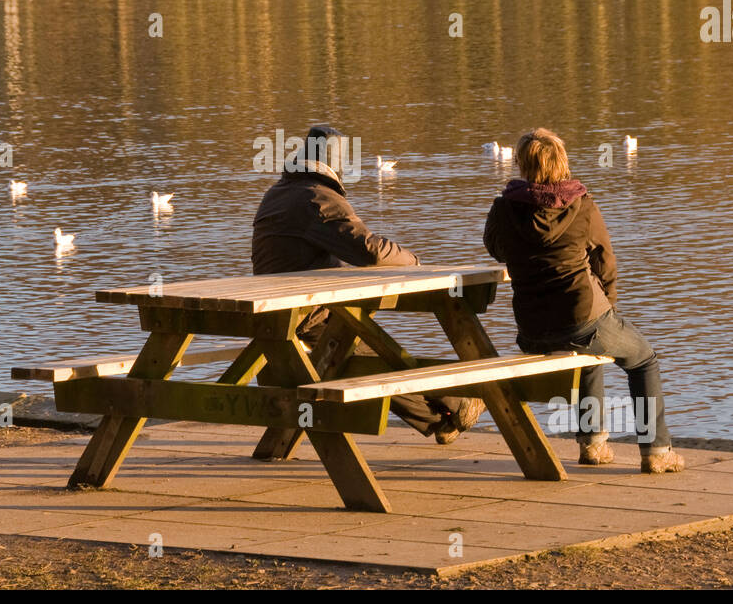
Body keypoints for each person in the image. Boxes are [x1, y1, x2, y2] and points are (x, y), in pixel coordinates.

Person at [252, 125, 485, 444]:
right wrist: (415, 263)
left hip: (278, 312)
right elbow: (370, 251)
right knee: (374, 358)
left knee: (372, 353)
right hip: (304, 315)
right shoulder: (317, 198)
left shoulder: (278, 193)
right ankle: (457, 403)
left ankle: (441, 416)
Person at [483, 128, 684, 474]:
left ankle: (592, 445)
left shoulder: (504, 207)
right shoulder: (582, 204)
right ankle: (657, 450)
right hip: (582, 315)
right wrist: (609, 308)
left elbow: (496, 249)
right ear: (562, 162)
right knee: (643, 360)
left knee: (589, 357)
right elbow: (605, 262)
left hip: (532, 328)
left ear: (521, 165)